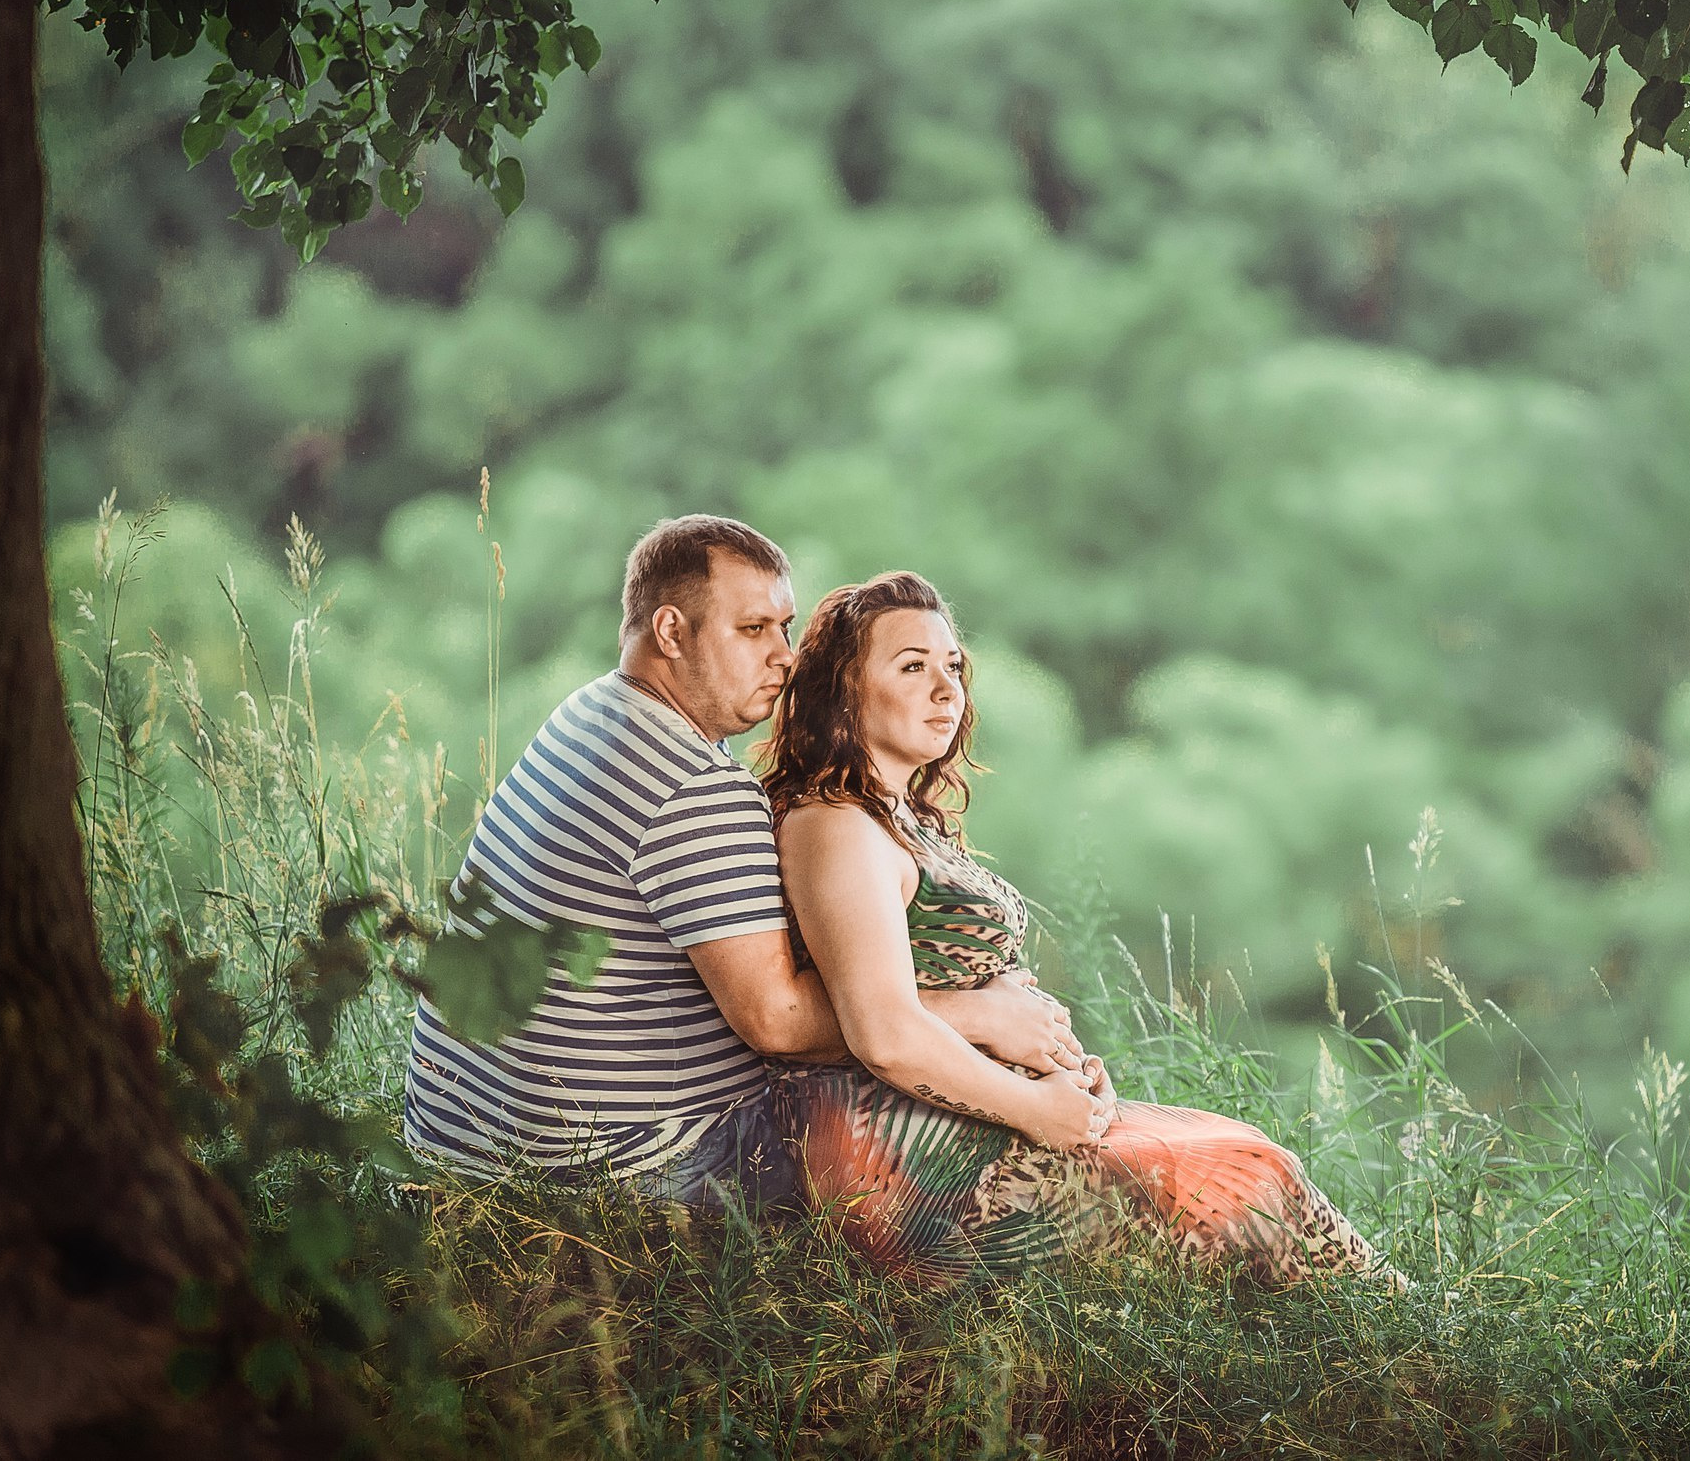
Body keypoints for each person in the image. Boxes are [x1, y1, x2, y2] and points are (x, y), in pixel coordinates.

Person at [399, 516, 1077, 1207]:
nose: (784, 657)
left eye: (785, 627)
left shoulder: (593, 711)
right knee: (952, 1138)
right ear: (670, 632)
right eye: (753, 630)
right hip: (609, 1164)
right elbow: (778, 1022)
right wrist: (974, 1015)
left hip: (462, 1134)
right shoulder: (694, 788)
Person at [759, 569, 1398, 1286]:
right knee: (1253, 1179)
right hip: (907, 1164)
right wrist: (1034, 1102)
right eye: (913, 667)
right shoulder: (835, 825)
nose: (947, 689)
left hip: (981, 1129)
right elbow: (884, 1031)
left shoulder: (895, 817)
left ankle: (1406, 1337)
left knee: (1249, 1148)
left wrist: (1058, 1074)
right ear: (844, 689)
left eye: (954, 667)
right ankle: (1415, 1344)